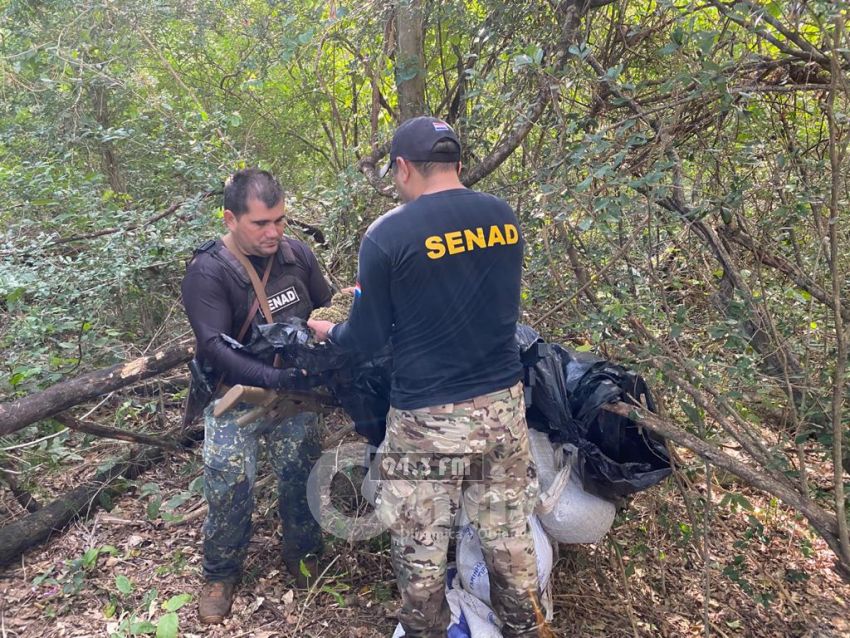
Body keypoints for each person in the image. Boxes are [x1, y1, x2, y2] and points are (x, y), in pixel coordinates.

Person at [308, 117, 549, 637]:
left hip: (427, 417)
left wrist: (331, 330)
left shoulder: (388, 234)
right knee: (508, 540)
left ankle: (425, 632)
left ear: (402, 168)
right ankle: (528, 630)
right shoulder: (503, 217)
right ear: (457, 164)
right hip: (502, 406)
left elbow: (368, 338)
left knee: (421, 547)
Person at [181, 168, 332, 624]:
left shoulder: (297, 255)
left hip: (297, 394)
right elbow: (213, 347)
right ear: (230, 218)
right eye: (260, 224)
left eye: (280, 221)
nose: (273, 232)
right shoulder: (209, 270)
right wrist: (273, 378)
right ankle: (220, 574)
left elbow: (323, 307)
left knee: (301, 473)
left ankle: (302, 555)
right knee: (230, 483)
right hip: (235, 397)